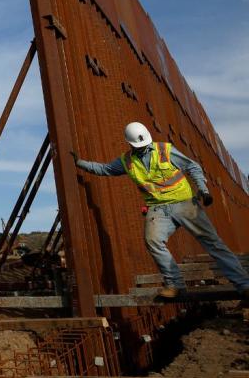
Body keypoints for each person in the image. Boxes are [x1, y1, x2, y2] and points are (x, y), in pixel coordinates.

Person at [72, 122, 249, 299]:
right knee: (153, 241)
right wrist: (79, 163)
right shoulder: (126, 161)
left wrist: (203, 189)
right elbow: (105, 169)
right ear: (129, 143)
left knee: (214, 244)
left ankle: (244, 285)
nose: (143, 148)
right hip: (158, 209)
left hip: (185, 203)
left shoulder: (164, 150)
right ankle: (175, 285)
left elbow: (192, 166)